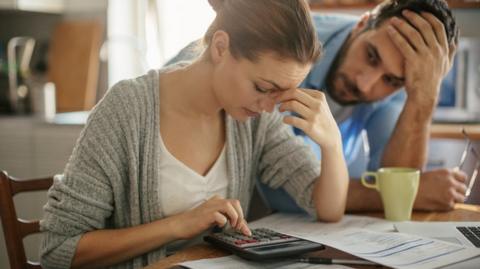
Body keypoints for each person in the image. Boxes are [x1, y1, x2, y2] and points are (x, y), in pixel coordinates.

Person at [39, 0, 349, 268]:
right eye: (263, 88)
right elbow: (59, 251)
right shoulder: (127, 110)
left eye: (280, 94)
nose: (269, 107)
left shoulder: (254, 119)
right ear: (220, 47)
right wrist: (177, 225)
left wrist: (331, 143)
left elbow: (327, 208)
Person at [168, 0, 466, 214]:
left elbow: (398, 191)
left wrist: (424, 96)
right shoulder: (290, 52)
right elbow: (287, 192)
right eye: (371, 56)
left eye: (390, 80)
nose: (366, 84)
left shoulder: (404, 81)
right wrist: (395, 196)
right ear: (362, 24)